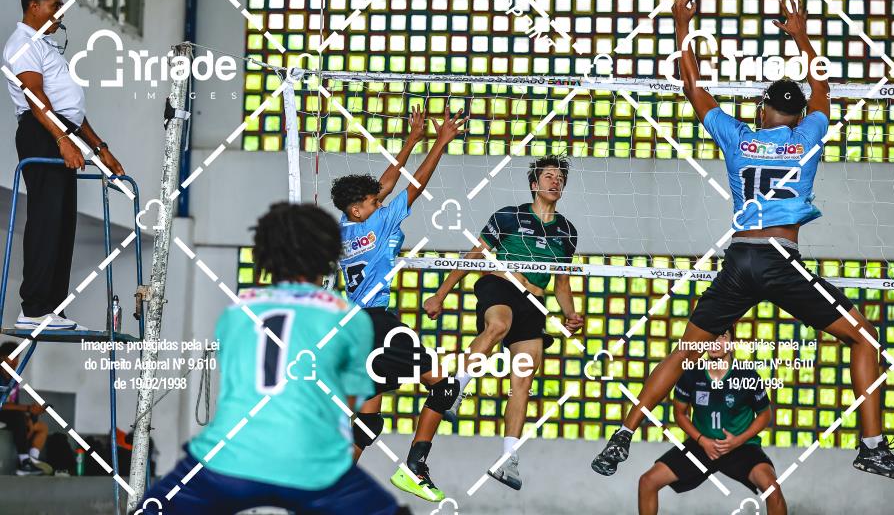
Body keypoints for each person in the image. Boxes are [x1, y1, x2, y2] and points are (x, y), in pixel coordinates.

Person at [591, 0, 894, 481]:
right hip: (780, 258)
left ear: (762, 110)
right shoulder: (809, 136)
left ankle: (623, 435)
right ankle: (873, 446)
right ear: (799, 115)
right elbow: (822, 85)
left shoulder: (737, 136)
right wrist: (799, 34)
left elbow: (692, 85)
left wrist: (682, 25)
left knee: (684, 352)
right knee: (865, 338)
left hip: (740, 260)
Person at [138, 203, 399, 514]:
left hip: (228, 461)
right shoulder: (350, 318)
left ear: (264, 255)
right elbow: (348, 404)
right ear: (330, 254)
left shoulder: (237, 312)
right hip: (313, 468)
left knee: (152, 509)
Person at [331, 104, 467, 502]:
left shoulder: (346, 226)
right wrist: (440, 143)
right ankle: (414, 467)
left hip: (355, 328)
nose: (380, 201)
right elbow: (414, 185)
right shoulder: (378, 222)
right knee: (444, 387)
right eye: (374, 202)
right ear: (359, 208)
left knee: (368, 422)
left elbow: (385, 185)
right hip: (378, 324)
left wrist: (412, 138)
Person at [424, 155, 583, 490]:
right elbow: (473, 255)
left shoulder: (567, 231)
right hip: (500, 285)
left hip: (534, 302)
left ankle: (508, 458)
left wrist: (570, 313)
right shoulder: (509, 216)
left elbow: (562, 283)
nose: (555, 182)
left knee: (523, 379)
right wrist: (440, 294)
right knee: (498, 325)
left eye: (560, 178)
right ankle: (456, 388)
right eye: (549, 176)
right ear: (534, 184)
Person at [3, 0, 124, 331]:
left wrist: (100, 149)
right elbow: (36, 98)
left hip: (59, 131)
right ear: (34, 6)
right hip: (42, 133)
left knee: (62, 223)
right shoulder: (22, 43)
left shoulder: (45, 46)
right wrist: (61, 140)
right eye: (55, 6)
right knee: (46, 218)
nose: (60, 13)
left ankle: (51, 309)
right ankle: (33, 309)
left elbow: (69, 109)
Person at [637, 327, 786, 515]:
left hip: (740, 446)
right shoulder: (691, 374)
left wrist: (737, 441)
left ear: (731, 343)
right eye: (711, 337)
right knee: (647, 482)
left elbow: (765, 415)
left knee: (773, 488)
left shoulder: (747, 376)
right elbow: (680, 414)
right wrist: (702, 441)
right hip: (702, 445)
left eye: (722, 337)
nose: (715, 342)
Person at [0, 341, 53, 475]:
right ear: (2, 357)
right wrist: (28, 409)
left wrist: (29, 416)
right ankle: (24, 463)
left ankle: (32, 460)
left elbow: (15, 404)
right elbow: (2, 405)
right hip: (3, 413)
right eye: (12, 357)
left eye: (17, 357)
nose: (15, 361)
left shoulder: (14, 379)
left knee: (40, 426)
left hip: (10, 416)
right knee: (19, 417)